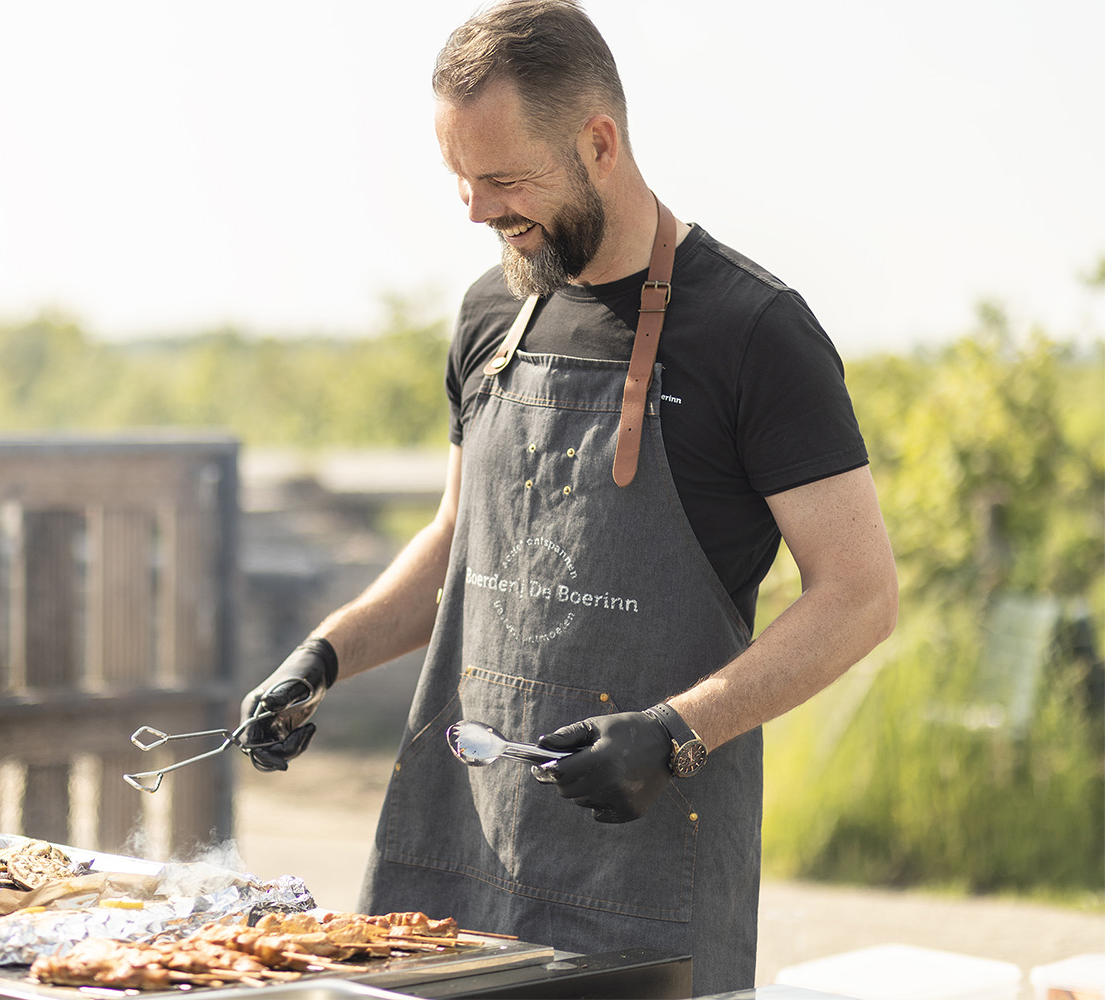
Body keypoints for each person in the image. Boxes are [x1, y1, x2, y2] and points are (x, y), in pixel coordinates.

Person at [238, 2, 899, 993]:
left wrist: (676, 733)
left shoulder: (755, 333)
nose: (475, 210)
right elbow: (461, 541)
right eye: (461, 180)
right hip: (451, 860)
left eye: (503, 179)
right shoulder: (489, 312)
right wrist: (321, 657)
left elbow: (860, 594)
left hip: (641, 888)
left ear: (599, 141)